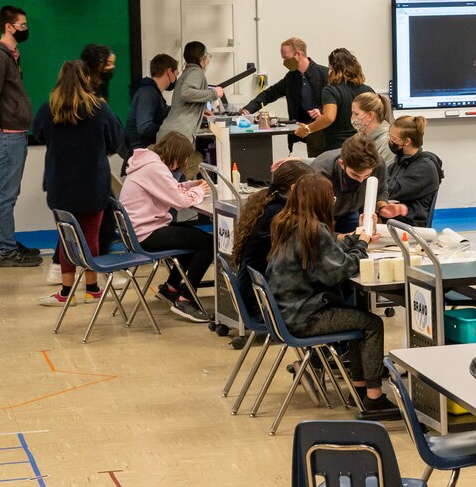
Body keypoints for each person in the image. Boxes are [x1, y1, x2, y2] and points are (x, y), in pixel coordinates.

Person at [266, 173, 399, 418]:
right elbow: (340, 271)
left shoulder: (287, 221)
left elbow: (328, 253)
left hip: (287, 310)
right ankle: (373, 397)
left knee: (358, 317)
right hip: (304, 316)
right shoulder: (313, 229)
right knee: (371, 323)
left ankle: (358, 388)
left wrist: (359, 238)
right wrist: (363, 244)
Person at [33, 61, 123, 305]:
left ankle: (66, 292)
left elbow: (38, 134)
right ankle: (91, 288)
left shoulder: (48, 109)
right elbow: (115, 141)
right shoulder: (100, 109)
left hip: (60, 185)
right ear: (87, 79)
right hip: (94, 184)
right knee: (91, 236)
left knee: (66, 238)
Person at [120, 131, 215, 322]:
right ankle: (186, 299)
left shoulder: (148, 162)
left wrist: (189, 185)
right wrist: (197, 190)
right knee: (208, 243)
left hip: (138, 231)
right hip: (146, 235)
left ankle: (171, 288)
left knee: (192, 238)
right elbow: (179, 202)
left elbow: (166, 188)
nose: (182, 164)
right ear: (176, 155)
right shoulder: (155, 168)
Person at [0, 5, 43, 267]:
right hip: (6, 137)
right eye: (23, 25)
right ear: (9, 26)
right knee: (6, 196)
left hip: (15, 135)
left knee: (9, 194)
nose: (26, 29)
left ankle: (8, 244)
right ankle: (6, 251)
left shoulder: (11, 56)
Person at [232, 159, 311, 317]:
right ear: (294, 188)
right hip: (263, 304)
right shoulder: (281, 215)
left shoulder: (269, 203)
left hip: (254, 293)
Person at [241, 37, 330, 157]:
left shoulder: (325, 74)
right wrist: (248, 109)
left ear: (298, 54)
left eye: (286, 58)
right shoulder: (291, 78)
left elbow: (337, 103)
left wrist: (321, 111)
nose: (284, 62)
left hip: (323, 137)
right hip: (299, 136)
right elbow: (270, 93)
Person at [309, 135, 407, 231]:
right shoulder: (321, 173)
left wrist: (382, 206)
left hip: (350, 213)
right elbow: (311, 221)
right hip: (320, 217)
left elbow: (380, 190)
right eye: (355, 175)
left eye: (367, 175)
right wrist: (344, 238)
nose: (361, 180)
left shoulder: (378, 164)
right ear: (342, 164)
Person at [294, 48, 372, 152]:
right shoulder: (368, 90)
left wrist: (308, 129)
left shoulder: (331, 90)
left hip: (337, 147)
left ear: (332, 68)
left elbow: (328, 118)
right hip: (362, 146)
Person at [157, 41, 224, 142]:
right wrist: (214, 93)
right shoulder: (196, 72)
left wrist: (199, 110)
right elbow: (186, 92)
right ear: (203, 58)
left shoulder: (187, 72)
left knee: (197, 157)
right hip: (178, 136)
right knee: (196, 157)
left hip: (171, 133)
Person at [386, 115, 444, 227]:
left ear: (407, 141)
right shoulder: (401, 161)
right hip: (396, 219)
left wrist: (376, 168)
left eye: (393, 139)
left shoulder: (424, 168)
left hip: (409, 223)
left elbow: (392, 190)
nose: (390, 141)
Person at [125, 53, 179, 152]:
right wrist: (169, 131)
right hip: (141, 151)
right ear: (170, 72)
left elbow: (165, 110)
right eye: (176, 74)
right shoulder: (148, 93)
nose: (176, 79)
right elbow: (145, 128)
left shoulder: (153, 92)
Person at [351, 91, 394, 168]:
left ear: (370, 115)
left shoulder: (388, 141)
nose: (352, 118)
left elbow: (385, 174)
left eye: (356, 114)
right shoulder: (359, 137)